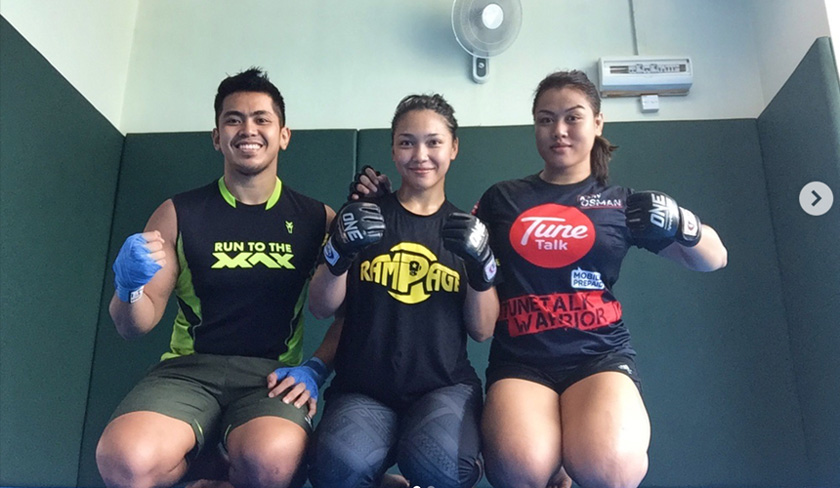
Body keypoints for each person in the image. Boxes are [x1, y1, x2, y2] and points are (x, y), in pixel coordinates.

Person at [475, 70, 728, 488]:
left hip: (598, 356)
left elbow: (714, 258)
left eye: (572, 117)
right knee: (520, 469)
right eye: (545, 119)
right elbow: (446, 245)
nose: (558, 130)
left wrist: (683, 222)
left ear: (597, 123)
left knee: (613, 466)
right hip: (521, 360)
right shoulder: (502, 199)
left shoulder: (622, 204)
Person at [95, 67, 337, 488]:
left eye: (262, 118)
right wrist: (128, 288)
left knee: (275, 461)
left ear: (283, 134)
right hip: (187, 373)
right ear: (216, 136)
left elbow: (349, 313)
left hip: (272, 377)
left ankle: (222, 475)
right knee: (125, 460)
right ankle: (206, 467)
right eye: (233, 118)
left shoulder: (318, 219)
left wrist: (317, 368)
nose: (248, 129)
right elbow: (133, 324)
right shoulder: (177, 213)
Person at [305, 94, 499, 488]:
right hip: (364, 389)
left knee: (444, 465)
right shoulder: (363, 216)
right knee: (336, 468)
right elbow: (320, 308)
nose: (421, 154)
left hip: (442, 385)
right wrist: (339, 250)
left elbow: (482, 330)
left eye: (434, 142)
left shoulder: (468, 232)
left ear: (454, 147)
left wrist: (482, 267)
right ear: (393, 150)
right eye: (407, 142)